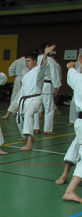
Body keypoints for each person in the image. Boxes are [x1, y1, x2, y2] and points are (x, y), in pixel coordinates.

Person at [15, 46, 55, 151]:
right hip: (25, 99)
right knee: (18, 119)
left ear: (35, 61)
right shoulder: (26, 75)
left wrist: (45, 54)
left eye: (29, 61)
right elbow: (23, 90)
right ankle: (29, 137)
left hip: (35, 98)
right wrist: (19, 104)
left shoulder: (38, 71)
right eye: (26, 61)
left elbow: (42, 65)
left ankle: (29, 143)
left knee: (28, 115)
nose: (27, 63)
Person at [60, 55, 82, 203]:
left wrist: (73, 66)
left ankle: (67, 180)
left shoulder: (78, 78)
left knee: (77, 147)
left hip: (80, 121)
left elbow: (71, 72)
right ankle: (70, 190)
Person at [36, 43, 61, 135]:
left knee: (36, 107)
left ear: (40, 51)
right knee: (49, 108)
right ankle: (47, 129)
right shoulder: (50, 60)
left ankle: (36, 127)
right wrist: (56, 86)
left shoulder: (36, 59)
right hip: (47, 85)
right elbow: (54, 73)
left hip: (36, 86)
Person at [2, 53, 28, 119]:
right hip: (25, 78)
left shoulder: (17, 61)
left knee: (15, 95)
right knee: (22, 95)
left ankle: (12, 110)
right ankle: (20, 109)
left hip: (17, 77)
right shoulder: (27, 62)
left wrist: (13, 75)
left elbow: (10, 68)